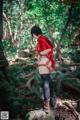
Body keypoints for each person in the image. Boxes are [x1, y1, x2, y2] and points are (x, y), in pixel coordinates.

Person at [31, 25, 55, 113]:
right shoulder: (43, 38)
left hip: (44, 63)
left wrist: (40, 54)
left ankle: (46, 107)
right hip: (45, 62)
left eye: (32, 34)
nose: (32, 36)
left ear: (34, 33)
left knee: (45, 84)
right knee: (48, 81)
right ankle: (52, 101)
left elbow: (49, 49)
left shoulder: (41, 39)